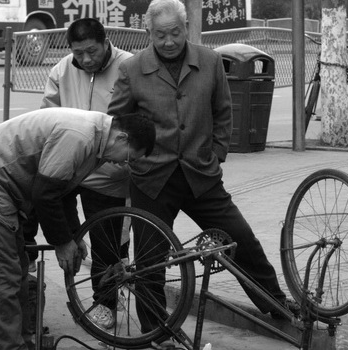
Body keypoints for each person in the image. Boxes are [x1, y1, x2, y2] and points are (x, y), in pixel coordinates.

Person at [107, 0, 297, 332]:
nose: (168, 42)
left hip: (200, 173)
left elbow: (224, 112)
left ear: (187, 29)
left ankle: (276, 303)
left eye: (175, 33)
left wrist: (217, 154)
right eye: (160, 35)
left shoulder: (208, 61)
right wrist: (135, 157)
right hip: (152, 179)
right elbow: (117, 122)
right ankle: (156, 329)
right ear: (148, 33)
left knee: (239, 238)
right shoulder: (132, 69)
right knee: (151, 257)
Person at [0, 107, 155, 350]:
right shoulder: (80, 136)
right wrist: (62, 243)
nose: (122, 164)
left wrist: (73, 234)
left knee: (16, 273)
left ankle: (22, 344)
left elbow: (63, 191)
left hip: (5, 185)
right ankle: (8, 346)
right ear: (122, 138)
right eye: (128, 158)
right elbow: (46, 194)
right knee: (2, 277)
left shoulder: (98, 142)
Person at [24, 18, 134, 329]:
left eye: (91, 51)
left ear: (105, 42)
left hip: (110, 170)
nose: (85, 60)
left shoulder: (129, 66)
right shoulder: (62, 70)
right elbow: (47, 114)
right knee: (37, 206)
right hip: (68, 166)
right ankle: (26, 265)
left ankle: (107, 303)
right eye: (78, 53)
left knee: (108, 243)